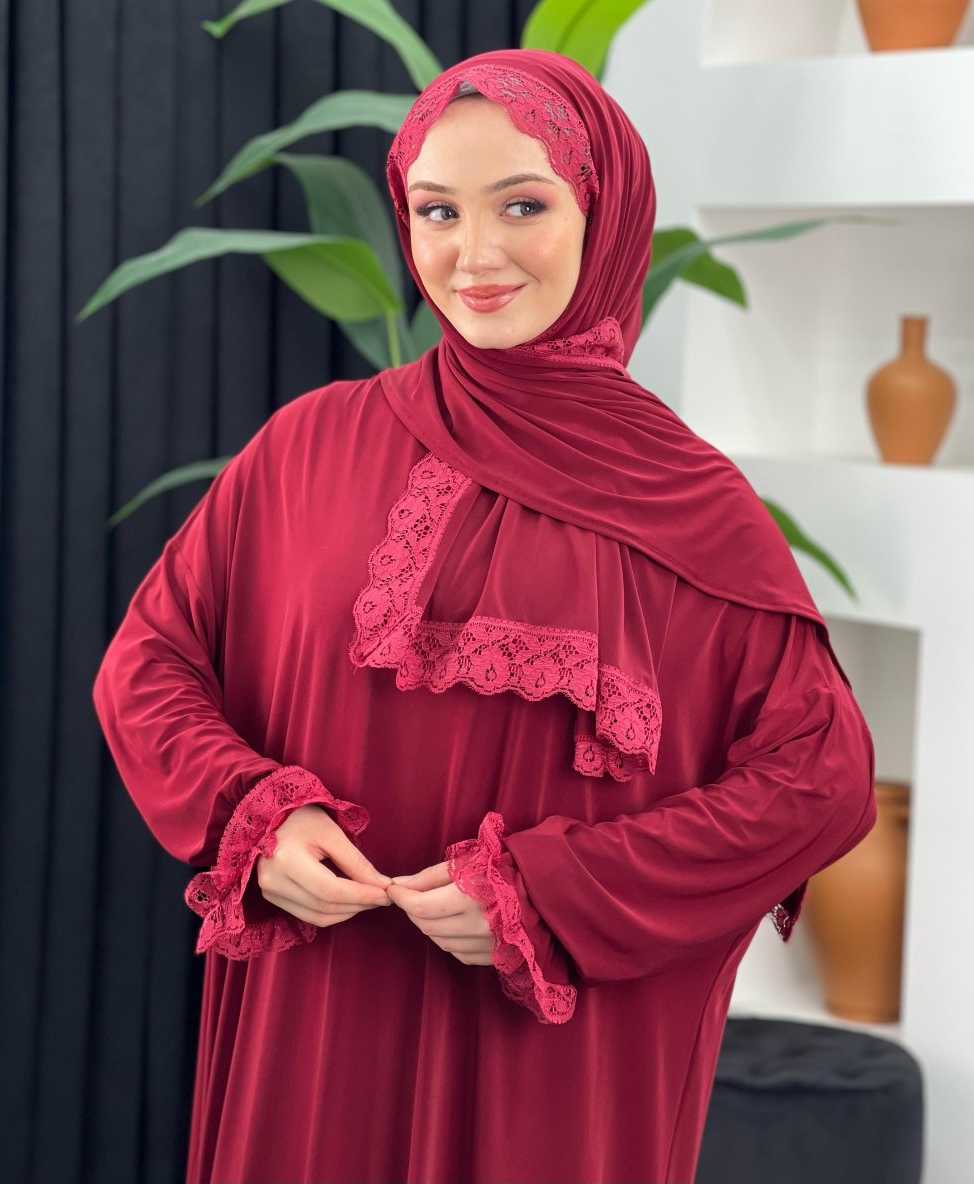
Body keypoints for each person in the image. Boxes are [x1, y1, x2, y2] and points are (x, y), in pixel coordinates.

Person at [92, 47, 877, 1184]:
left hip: (546, 1059)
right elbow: (149, 660)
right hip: (319, 1024)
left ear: (604, 214)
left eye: (521, 205)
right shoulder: (308, 445)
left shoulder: (694, 507)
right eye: (436, 211)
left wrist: (551, 891)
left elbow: (820, 781)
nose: (473, 255)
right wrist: (253, 815)